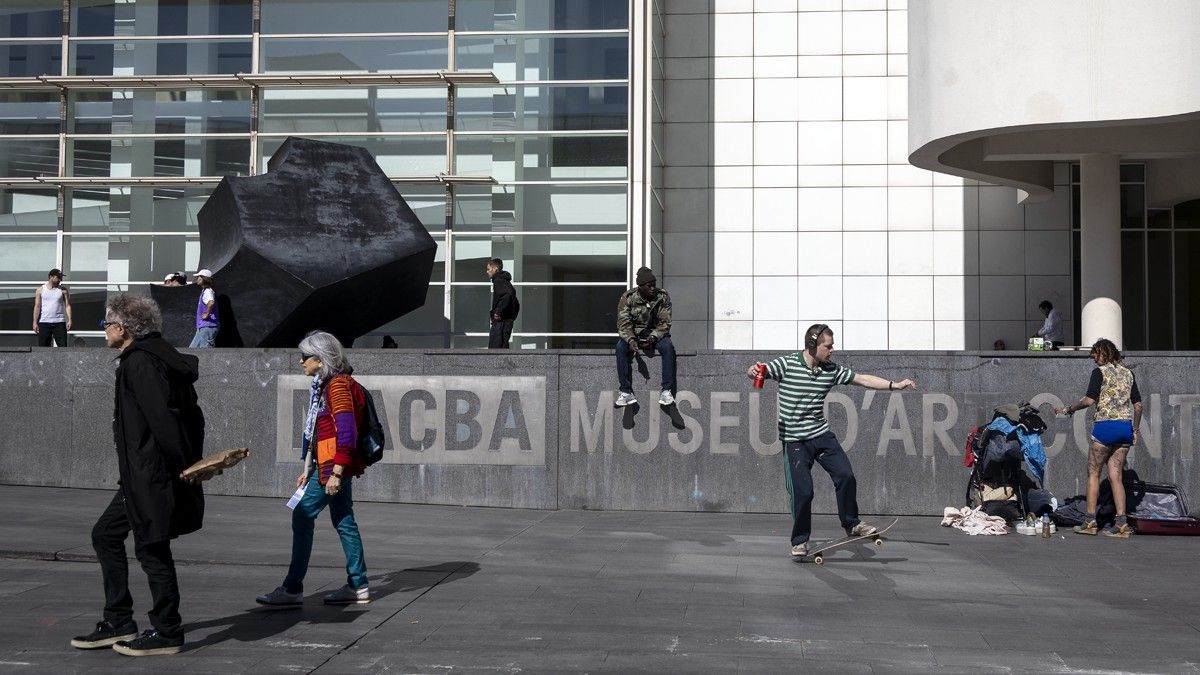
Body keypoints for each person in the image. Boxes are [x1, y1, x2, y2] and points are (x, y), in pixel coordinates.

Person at [72, 294, 204, 656]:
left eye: (106, 325)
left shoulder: (140, 363)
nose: (104, 332)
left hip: (152, 474)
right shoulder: (152, 357)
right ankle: (119, 620)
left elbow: (163, 418)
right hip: (141, 474)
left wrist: (183, 466)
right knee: (106, 535)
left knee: (152, 549)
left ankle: (167, 631)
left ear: (122, 329)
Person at [746, 323, 917, 558]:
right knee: (803, 492)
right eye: (828, 346)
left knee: (846, 476)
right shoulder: (786, 364)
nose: (832, 350)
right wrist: (752, 371)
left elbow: (863, 379)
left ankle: (852, 524)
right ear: (812, 346)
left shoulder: (831, 369)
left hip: (821, 434)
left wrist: (893, 385)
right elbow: (757, 371)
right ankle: (799, 541)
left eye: (832, 345)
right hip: (795, 440)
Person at [257, 331, 371, 607]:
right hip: (329, 466)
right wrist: (309, 467)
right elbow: (322, 434)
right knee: (344, 520)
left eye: (305, 357)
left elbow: (346, 431)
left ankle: (293, 588)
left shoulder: (337, 387)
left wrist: (335, 472)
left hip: (333, 468)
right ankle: (358, 585)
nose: (300, 362)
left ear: (320, 360)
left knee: (302, 514)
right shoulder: (327, 385)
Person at [1054, 338, 1142, 538]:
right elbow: (1138, 405)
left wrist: (1069, 409)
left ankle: (1090, 521)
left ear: (1104, 353)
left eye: (1095, 354)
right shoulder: (1129, 373)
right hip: (1124, 429)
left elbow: (1089, 400)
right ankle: (1121, 523)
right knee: (1116, 477)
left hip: (1105, 428)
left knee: (1093, 473)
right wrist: (1135, 430)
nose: (1093, 358)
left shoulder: (1099, 373)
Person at [616, 267, 676, 406]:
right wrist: (631, 340)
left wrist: (654, 337)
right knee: (620, 347)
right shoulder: (628, 298)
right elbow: (623, 324)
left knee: (667, 346)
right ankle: (625, 392)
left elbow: (665, 323)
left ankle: (666, 391)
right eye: (649, 285)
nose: (653, 288)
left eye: (654, 284)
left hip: (655, 334)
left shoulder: (662, 296)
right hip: (634, 334)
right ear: (641, 287)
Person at [32, 268, 72, 347]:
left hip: (59, 322)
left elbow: (67, 305)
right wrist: (35, 322)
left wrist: (70, 320)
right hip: (44, 322)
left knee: (63, 347)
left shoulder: (63, 290)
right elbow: (37, 306)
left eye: (61, 278)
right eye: (58, 277)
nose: (60, 280)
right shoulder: (40, 290)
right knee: (43, 349)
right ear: (51, 277)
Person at [486, 258, 519, 349]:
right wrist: (511, 317)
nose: (487, 271)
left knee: (495, 349)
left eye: (488, 269)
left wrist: (498, 312)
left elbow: (507, 296)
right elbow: (516, 304)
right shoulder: (506, 282)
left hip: (501, 322)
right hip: (506, 322)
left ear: (495, 268)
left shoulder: (498, 281)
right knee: (503, 348)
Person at [189, 269, 219, 348]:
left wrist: (207, 314)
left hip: (207, 328)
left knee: (205, 354)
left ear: (205, 279)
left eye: (199, 277)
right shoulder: (205, 290)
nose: (197, 279)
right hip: (203, 328)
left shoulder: (207, 291)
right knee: (192, 350)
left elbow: (211, 302)